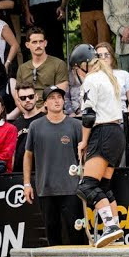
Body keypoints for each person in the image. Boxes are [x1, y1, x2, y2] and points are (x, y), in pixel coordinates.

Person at [71, 44, 127, 246]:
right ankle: (117, 232)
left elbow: (88, 116)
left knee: (87, 186)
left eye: (76, 69)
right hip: (117, 133)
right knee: (103, 185)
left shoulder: (91, 79)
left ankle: (110, 227)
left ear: (82, 65)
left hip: (102, 132)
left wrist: (84, 141)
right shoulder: (109, 77)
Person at [23, 86, 87, 245]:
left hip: (72, 189)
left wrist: (85, 180)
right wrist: (26, 184)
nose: (57, 100)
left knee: (77, 235)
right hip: (46, 189)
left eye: (59, 97)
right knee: (52, 236)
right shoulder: (35, 126)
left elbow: (84, 156)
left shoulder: (76, 125)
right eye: (52, 98)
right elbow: (28, 155)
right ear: (45, 103)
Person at [14, 28, 69, 106]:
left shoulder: (59, 64)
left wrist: (37, 114)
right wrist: (28, 113)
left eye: (41, 41)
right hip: (27, 111)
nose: (38, 45)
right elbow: (17, 98)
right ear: (27, 45)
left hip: (50, 112)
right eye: (34, 42)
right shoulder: (22, 68)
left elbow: (58, 96)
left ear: (45, 43)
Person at [9, 82, 43, 173]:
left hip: (41, 172)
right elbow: (12, 152)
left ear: (36, 97)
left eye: (30, 96)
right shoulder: (15, 125)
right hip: (18, 174)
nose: (27, 100)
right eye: (23, 98)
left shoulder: (46, 120)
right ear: (18, 101)